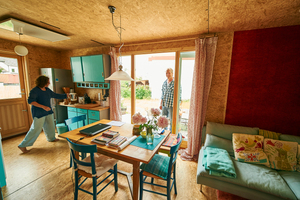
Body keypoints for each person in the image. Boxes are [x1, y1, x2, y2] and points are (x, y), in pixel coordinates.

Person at [18, 75, 68, 153]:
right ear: (43, 82)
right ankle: (23, 145)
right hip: (39, 112)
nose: (49, 83)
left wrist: (66, 96)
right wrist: (43, 107)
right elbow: (31, 101)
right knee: (36, 129)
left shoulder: (47, 90)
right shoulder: (35, 91)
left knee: (50, 125)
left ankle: (51, 138)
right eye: (48, 82)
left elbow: (55, 95)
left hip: (48, 111)